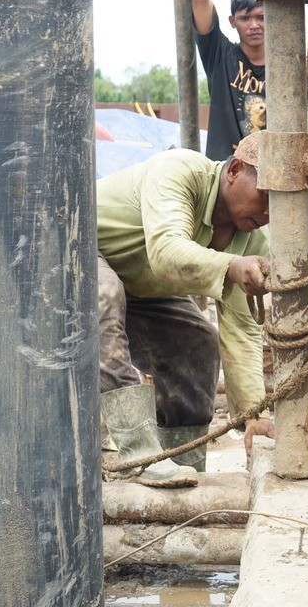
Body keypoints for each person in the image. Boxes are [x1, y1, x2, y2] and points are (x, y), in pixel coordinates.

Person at [97, 132, 275, 488]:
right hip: (74, 250)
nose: (269, 212)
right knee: (104, 295)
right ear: (235, 170)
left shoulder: (250, 238)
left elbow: (240, 330)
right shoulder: (179, 170)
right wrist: (231, 266)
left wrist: (254, 415)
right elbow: (166, 251)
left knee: (197, 341)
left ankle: (181, 466)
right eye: (266, 196)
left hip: (139, 284)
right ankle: (141, 456)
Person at [182, 0, 266, 162]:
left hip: (273, 179)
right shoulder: (220, 55)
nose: (254, 25)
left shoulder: (287, 66)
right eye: (245, 18)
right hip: (226, 176)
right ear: (232, 21)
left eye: (261, 17)